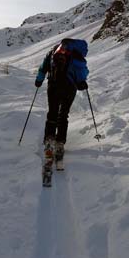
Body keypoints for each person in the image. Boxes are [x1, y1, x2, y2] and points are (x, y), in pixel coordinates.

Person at [34, 38, 89, 170]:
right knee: (63, 115)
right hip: (70, 88)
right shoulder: (77, 55)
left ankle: (49, 142)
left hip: (53, 86)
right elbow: (82, 72)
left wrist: (39, 80)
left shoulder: (52, 52)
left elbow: (43, 68)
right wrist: (82, 82)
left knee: (52, 113)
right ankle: (60, 143)